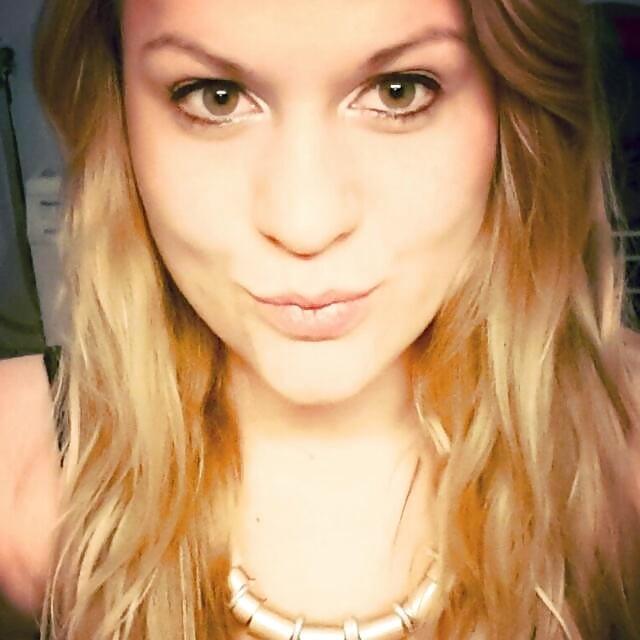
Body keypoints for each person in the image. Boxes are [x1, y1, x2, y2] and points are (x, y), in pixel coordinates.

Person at [1, 0, 639, 638]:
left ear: (514, 107)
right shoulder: (17, 473)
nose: (305, 222)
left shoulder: (624, 457)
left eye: (399, 91)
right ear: (117, 111)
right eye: (217, 98)